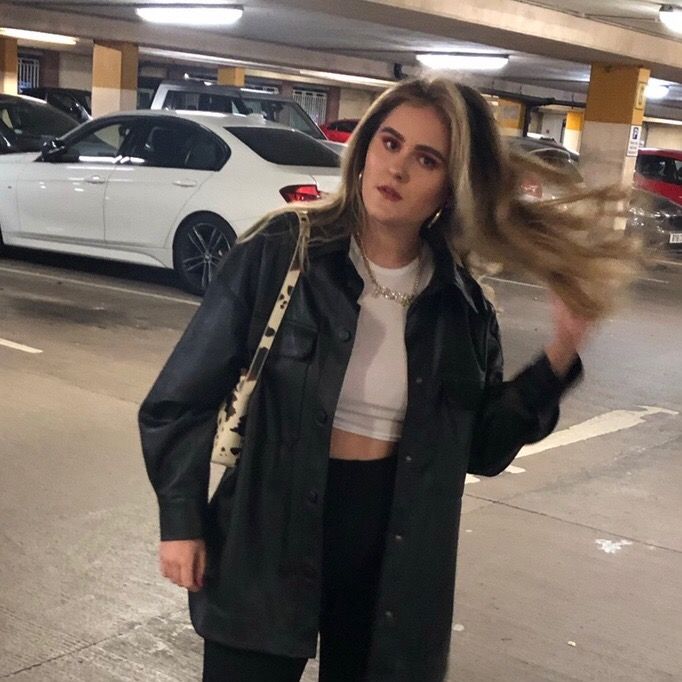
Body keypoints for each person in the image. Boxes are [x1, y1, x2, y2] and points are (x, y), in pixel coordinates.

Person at [139, 77, 639, 681]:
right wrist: (182, 522)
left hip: (394, 549)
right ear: (365, 147)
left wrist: (560, 354)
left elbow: (481, 450)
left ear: (451, 186)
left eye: (426, 159)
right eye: (390, 142)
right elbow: (179, 399)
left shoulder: (459, 304)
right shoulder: (282, 250)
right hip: (268, 530)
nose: (397, 168)